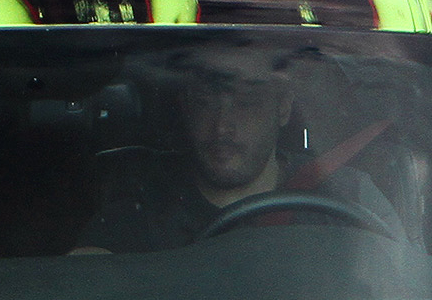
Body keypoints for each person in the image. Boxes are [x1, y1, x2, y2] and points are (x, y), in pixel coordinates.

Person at [69, 59, 398, 254]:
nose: (222, 126)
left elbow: (400, 296)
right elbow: (82, 286)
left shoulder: (347, 195)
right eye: (205, 101)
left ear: (281, 108)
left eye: (246, 101)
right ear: (185, 106)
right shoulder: (143, 197)